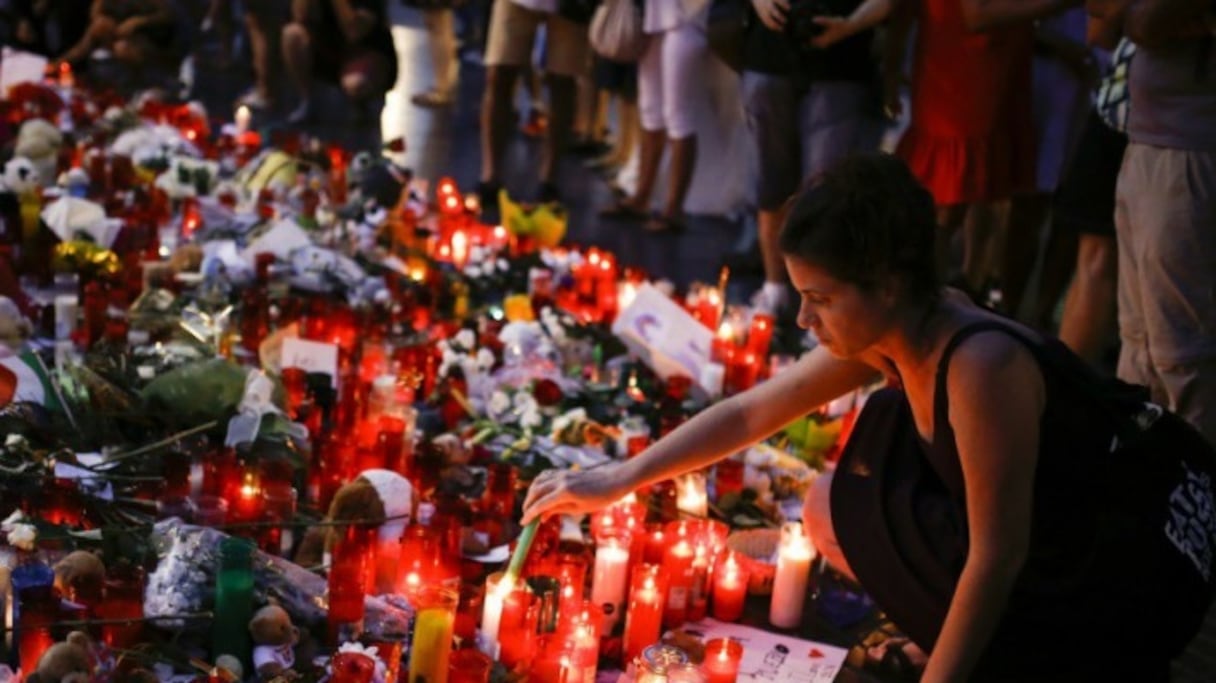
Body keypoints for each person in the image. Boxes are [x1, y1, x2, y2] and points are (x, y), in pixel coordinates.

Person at [523, 153, 1216, 681]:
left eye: (818, 297)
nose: (802, 317)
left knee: (870, 469)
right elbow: (749, 414)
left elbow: (996, 556)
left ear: (884, 281)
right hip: (1047, 544)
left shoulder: (979, 367)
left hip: (1113, 581)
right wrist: (619, 476)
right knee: (834, 497)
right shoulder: (897, 327)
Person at [739, 0, 887, 314]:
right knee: (771, 183)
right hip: (770, 57)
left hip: (842, 64)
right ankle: (774, 288)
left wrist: (853, 23)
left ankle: (822, 307)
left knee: (827, 196)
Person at [280, 0, 398, 124]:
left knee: (356, 84)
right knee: (292, 34)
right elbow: (299, 17)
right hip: (330, 51)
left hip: (365, 51)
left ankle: (364, 105)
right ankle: (307, 99)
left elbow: (354, 32)